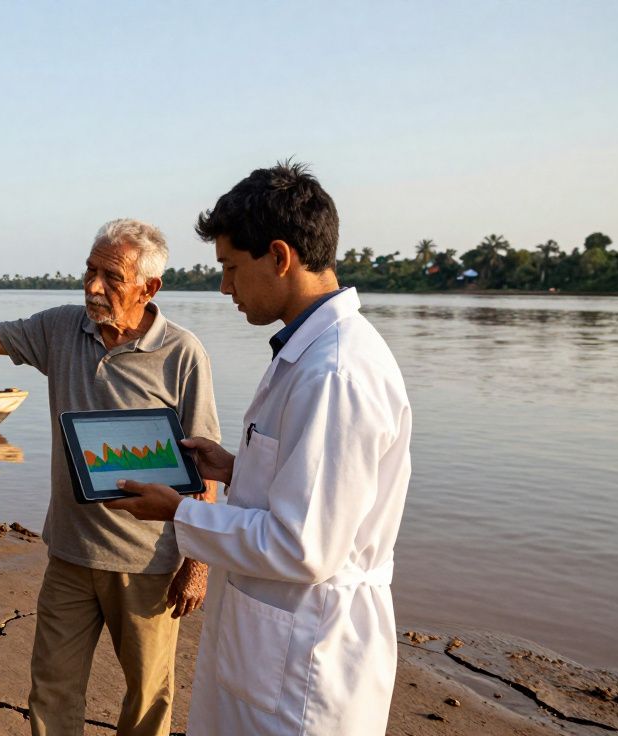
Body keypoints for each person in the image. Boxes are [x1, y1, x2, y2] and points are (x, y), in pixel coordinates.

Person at [107, 161, 412, 735]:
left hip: (306, 661)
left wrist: (179, 512)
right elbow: (310, 482)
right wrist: (236, 466)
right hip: (272, 643)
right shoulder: (306, 351)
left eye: (230, 268)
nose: (224, 286)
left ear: (279, 256)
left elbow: (305, 547)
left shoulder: (336, 373)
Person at [0, 208, 221, 736]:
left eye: (112, 277)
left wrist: (197, 563)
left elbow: (205, 463)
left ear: (149, 287)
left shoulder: (183, 353)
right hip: (69, 553)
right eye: (90, 271)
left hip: (149, 563)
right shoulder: (62, 328)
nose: (94, 286)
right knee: (52, 687)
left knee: (149, 696)